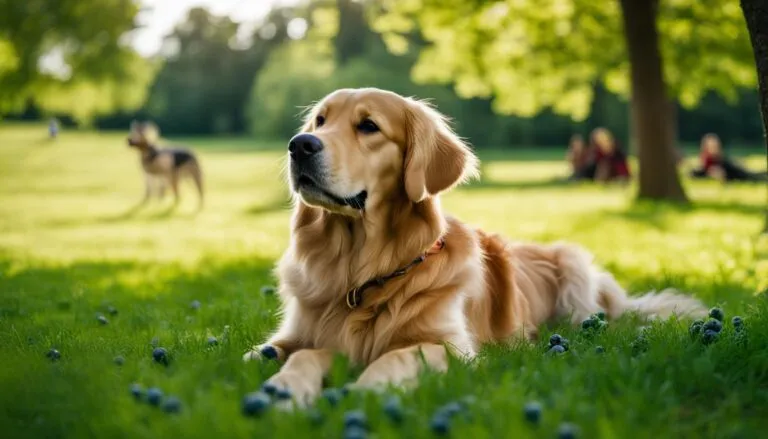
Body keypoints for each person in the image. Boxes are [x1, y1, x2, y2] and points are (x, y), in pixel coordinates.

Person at [690, 133, 766, 182]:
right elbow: (715, 172)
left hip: (736, 171)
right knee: (754, 177)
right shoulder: (707, 159)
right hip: (735, 175)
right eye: (712, 145)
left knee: (754, 174)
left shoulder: (717, 156)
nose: (715, 147)